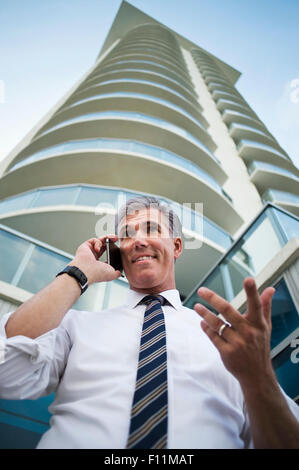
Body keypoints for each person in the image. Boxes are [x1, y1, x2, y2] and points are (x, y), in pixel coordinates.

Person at [0, 196, 298, 449]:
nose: (139, 240)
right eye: (127, 234)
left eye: (151, 229)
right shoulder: (75, 327)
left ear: (177, 247)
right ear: (118, 252)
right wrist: (79, 272)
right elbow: (5, 371)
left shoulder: (228, 341)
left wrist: (259, 377)